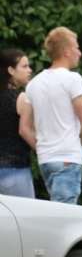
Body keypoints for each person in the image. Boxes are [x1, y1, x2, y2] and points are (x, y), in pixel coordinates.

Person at [25, 27, 82, 204]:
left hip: (45, 159)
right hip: (68, 157)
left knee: (57, 210)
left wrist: (43, 149)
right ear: (66, 51)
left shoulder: (34, 83)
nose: (80, 53)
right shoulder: (73, 79)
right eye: (76, 47)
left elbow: (25, 127)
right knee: (65, 214)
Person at [0, 49, 36, 198]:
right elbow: (25, 131)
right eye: (24, 66)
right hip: (15, 171)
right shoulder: (21, 98)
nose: (30, 70)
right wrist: (44, 151)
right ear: (11, 70)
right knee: (26, 213)